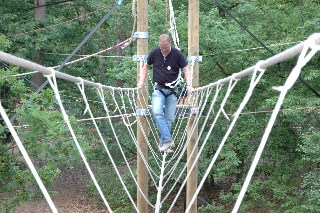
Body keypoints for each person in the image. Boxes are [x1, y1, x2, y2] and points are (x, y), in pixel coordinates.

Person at [137, 34, 193, 152]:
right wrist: (141, 81)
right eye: (161, 48)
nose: (163, 50)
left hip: (173, 91)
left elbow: (186, 70)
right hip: (159, 89)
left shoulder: (177, 54)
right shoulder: (155, 53)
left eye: (166, 48)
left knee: (169, 119)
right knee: (157, 112)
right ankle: (168, 140)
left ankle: (165, 144)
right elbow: (146, 66)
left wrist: (189, 85)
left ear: (170, 44)